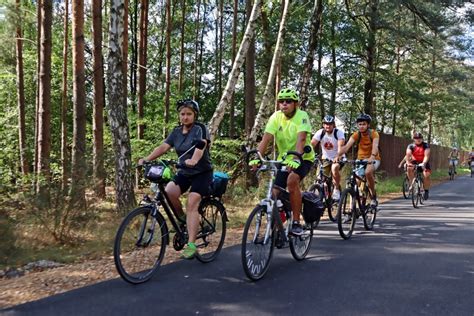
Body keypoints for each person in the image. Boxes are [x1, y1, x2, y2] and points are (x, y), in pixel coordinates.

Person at [138, 99, 213, 259]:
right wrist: (147, 158)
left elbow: (201, 145)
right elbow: (164, 147)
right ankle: (182, 221)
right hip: (184, 172)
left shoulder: (200, 129)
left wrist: (194, 160)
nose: (185, 117)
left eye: (189, 114)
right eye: (182, 114)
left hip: (202, 173)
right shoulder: (176, 131)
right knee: (169, 192)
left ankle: (192, 245)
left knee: (192, 202)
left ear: (195, 115)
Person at [250, 88, 314, 236]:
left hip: (302, 158)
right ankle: (280, 223)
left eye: (289, 101)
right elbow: (266, 138)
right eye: (281, 101)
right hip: (283, 159)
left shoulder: (302, 116)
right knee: (274, 192)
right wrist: (257, 158)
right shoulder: (275, 117)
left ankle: (297, 222)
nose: (284, 104)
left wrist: (296, 158)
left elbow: (301, 139)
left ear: (295, 104)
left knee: (292, 181)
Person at [336, 113, 381, 208]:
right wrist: (338, 156)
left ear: (368, 125)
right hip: (360, 160)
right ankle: (352, 210)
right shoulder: (356, 135)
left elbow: (375, 146)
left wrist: (372, 156)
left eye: (364, 124)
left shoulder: (373, 133)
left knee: (368, 172)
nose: (361, 126)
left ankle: (373, 197)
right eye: (359, 124)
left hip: (373, 159)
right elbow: (347, 146)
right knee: (355, 183)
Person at [311, 115, 346, 200]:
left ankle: (336, 189)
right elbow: (312, 144)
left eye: (330, 124)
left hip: (339, 157)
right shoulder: (320, 132)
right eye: (326, 124)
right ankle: (320, 197)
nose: (328, 126)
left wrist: (337, 156)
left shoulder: (338, 133)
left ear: (333, 125)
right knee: (319, 178)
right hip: (325, 159)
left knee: (334, 168)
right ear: (323, 124)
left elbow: (341, 146)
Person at [405, 132, 431, 200]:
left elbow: (426, 155)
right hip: (414, 162)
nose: (418, 139)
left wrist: (424, 163)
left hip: (424, 162)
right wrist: (408, 162)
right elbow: (408, 154)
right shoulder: (411, 146)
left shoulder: (426, 145)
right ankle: (412, 184)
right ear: (414, 139)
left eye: (420, 138)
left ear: (422, 139)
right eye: (416, 138)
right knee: (409, 168)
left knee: (426, 175)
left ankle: (426, 190)